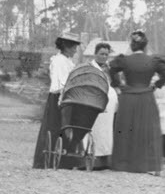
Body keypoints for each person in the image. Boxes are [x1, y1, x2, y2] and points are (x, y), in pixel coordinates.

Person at [108, 30, 165, 175]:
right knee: (145, 129)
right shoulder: (152, 61)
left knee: (126, 128)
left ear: (132, 46)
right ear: (145, 46)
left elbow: (111, 68)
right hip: (146, 96)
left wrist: (118, 84)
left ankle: (124, 162)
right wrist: (156, 85)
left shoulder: (124, 60)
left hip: (128, 97)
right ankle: (145, 163)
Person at [32, 32, 82, 169]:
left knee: (66, 126)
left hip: (68, 96)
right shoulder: (58, 60)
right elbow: (61, 82)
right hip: (58, 96)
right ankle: (50, 158)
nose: (75, 50)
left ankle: (65, 158)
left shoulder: (68, 61)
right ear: (66, 46)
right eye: (73, 47)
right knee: (55, 126)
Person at [87, 42, 119, 170]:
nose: (104, 57)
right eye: (101, 54)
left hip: (110, 101)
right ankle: (92, 156)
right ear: (95, 54)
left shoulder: (109, 68)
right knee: (95, 128)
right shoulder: (90, 67)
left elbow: (115, 83)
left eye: (106, 54)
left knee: (107, 130)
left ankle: (105, 158)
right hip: (95, 100)